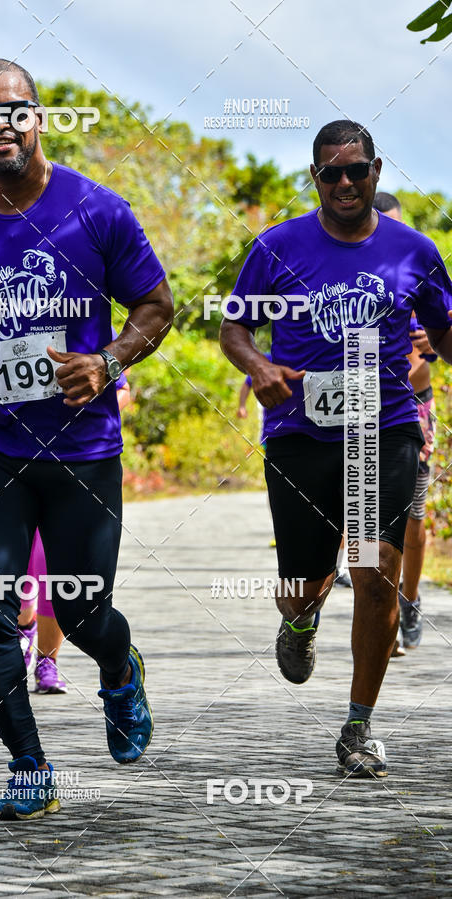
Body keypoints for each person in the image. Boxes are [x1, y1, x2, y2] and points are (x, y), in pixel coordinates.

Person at [0, 58, 173, 820]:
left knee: (82, 610)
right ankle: (28, 764)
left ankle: (119, 663)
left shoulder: (98, 210)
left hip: (83, 449)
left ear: (39, 117)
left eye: (13, 111)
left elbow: (156, 303)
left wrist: (109, 359)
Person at [220, 120, 452, 777]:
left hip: (385, 426)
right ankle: (300, 623)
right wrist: (258, 366)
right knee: (301, 583)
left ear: (378, 171)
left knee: (375, 568)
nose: (345, 182)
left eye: (357, 170)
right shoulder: (277, 247)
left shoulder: (416, 250)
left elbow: (443, 329)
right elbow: (233, 327)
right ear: (315, 178)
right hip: (299, 432)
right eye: (331, 173)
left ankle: (358, 726)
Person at [17, 355, 131, 693]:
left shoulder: (87, 324)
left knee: (54, 576)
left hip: (72, 467)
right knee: (19, 572)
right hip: (6, 469)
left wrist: (93, 407)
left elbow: (123, 390)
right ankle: (24, 626)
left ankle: (47, 661)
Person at [374, 192, 436, 653]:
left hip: (412, 408)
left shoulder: (417, 265)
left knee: (412, 520)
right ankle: (377, 612)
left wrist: (432, 338)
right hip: (359, 411)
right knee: (362, 518)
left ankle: (409, 601)